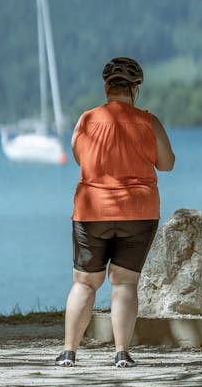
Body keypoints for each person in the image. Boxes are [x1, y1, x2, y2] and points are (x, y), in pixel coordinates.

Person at [55, 56, 175, 369]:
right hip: (138, 211)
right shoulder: (148, 121)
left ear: (107, 88)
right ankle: (122, 352)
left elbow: (79, 156)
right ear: (135, 90)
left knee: (84, 283)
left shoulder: (86, 120)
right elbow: (167, 163)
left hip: (92, 211)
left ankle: (69, 352)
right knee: (124, 283)